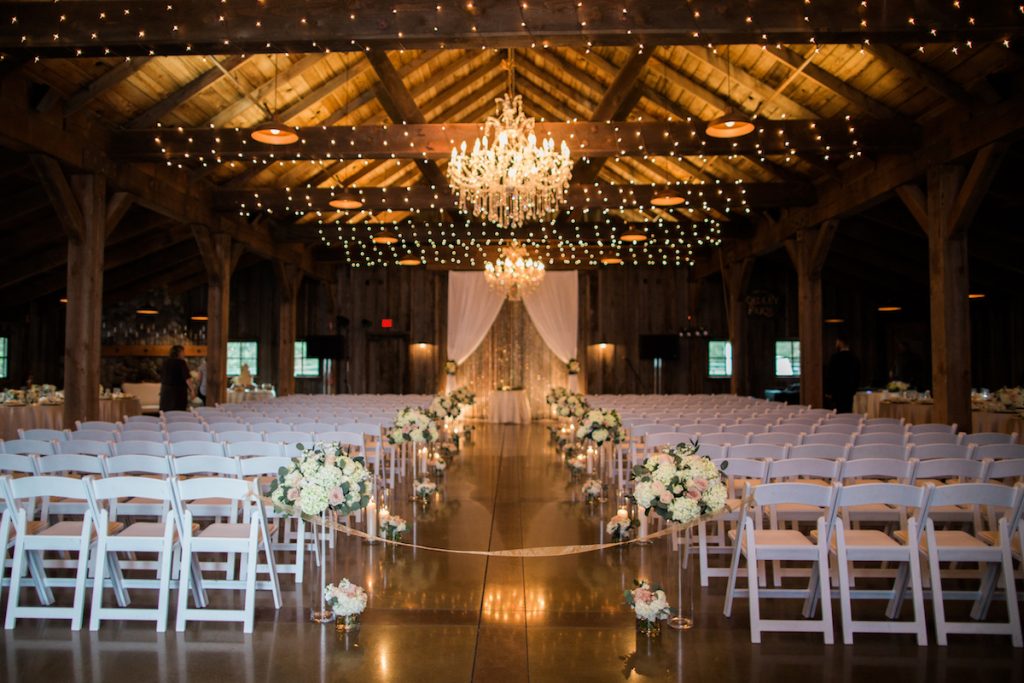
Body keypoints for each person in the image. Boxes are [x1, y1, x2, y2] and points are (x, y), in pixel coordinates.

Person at [825, 337, 860, 414]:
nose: (836, 344)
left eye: (837, 342)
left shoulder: (835, 358)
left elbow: (830, 375)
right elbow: (857, 376)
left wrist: (828, 391)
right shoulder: (854, 358)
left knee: (838, 412)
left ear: (841, 342)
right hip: (849, 392)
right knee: (848, 411)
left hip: (837, 391)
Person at [159, 345, 191, 412]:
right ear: (178, 353)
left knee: (166, 412)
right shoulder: (181, 362)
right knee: (178, 413)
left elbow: (161, 375)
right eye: (183, 352)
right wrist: (192, 390)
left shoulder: (165, 362)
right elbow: (187, 378)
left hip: (165, 391)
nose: (184, 354)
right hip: (178, 393)